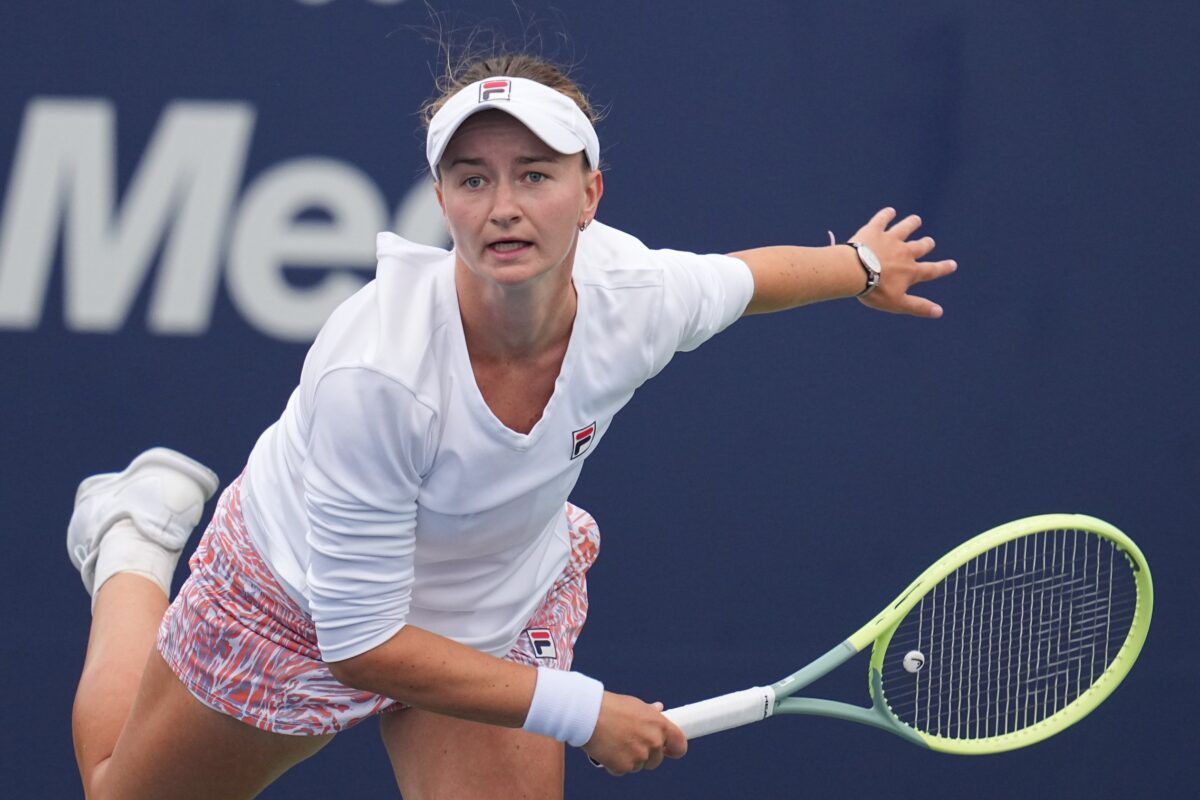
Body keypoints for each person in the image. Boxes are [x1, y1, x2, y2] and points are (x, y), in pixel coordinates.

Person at [67, 52, 956, 799]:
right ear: (442, 199)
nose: (503, 206)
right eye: (473, 179)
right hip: (301, 604)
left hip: (493, 603)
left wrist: (862, 265)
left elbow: (751, 280)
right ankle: (130, 542)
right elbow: (362, 643)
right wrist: (580, 710)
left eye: (535, 175)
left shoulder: (639, 296)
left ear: (589, 193)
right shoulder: (375, 376)